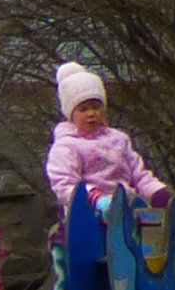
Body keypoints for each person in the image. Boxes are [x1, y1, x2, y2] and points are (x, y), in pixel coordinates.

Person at [44, 63, 165, 209]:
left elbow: (138, 174)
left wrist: (156, 192)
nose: (91, 114)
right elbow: (64, 183)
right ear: (71, 115)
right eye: (83, 109)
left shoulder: (119, 139)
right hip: (88, 214)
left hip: (126, 208)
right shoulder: (66, 146)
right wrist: (96, 199)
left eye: (96, 107)